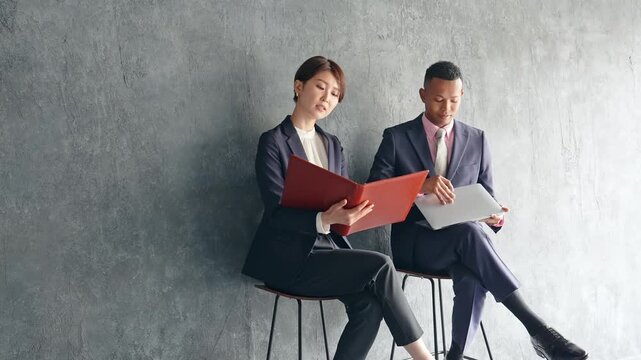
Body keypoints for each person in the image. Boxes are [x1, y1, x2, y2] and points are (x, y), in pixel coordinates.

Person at [367, 61, 588, 360]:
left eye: (454, 101)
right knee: (470, 235)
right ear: (422, 94)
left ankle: (455, 356)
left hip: (463, 245)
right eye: (438, 99)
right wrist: (422, 186)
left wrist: (494, 215)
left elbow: (487, 196)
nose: (446, 108)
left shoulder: (478, 139)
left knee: (471, 272)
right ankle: (537, 329)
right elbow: (375, 196)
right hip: (416, 244)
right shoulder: (396, 137)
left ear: (462, 96)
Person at [242, 56, 434, 360]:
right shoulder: (273, 142)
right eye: (320, 87)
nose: (326, 98)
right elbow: (275, 210)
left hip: (329, 252)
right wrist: (322, 219)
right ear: (299, 86)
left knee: (369, 306)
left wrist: (358, 211)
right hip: (289, 259)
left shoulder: (332, 144)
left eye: (334, 94)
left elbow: (343, 198)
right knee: (382, 264)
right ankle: (424, 357)